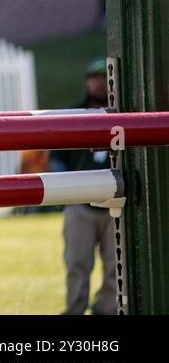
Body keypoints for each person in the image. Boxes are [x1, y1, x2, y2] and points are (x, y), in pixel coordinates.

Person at [50, 58, 118, 314]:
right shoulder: (72, 114)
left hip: (115, 205)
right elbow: (56, 160)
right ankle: (74, 309)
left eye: (104, 77)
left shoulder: (124, 114)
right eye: (94, 77)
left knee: (116, 267)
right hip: (79, 206)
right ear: (86, 81)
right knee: (77, 263)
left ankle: (108, 309)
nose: (100, 83)